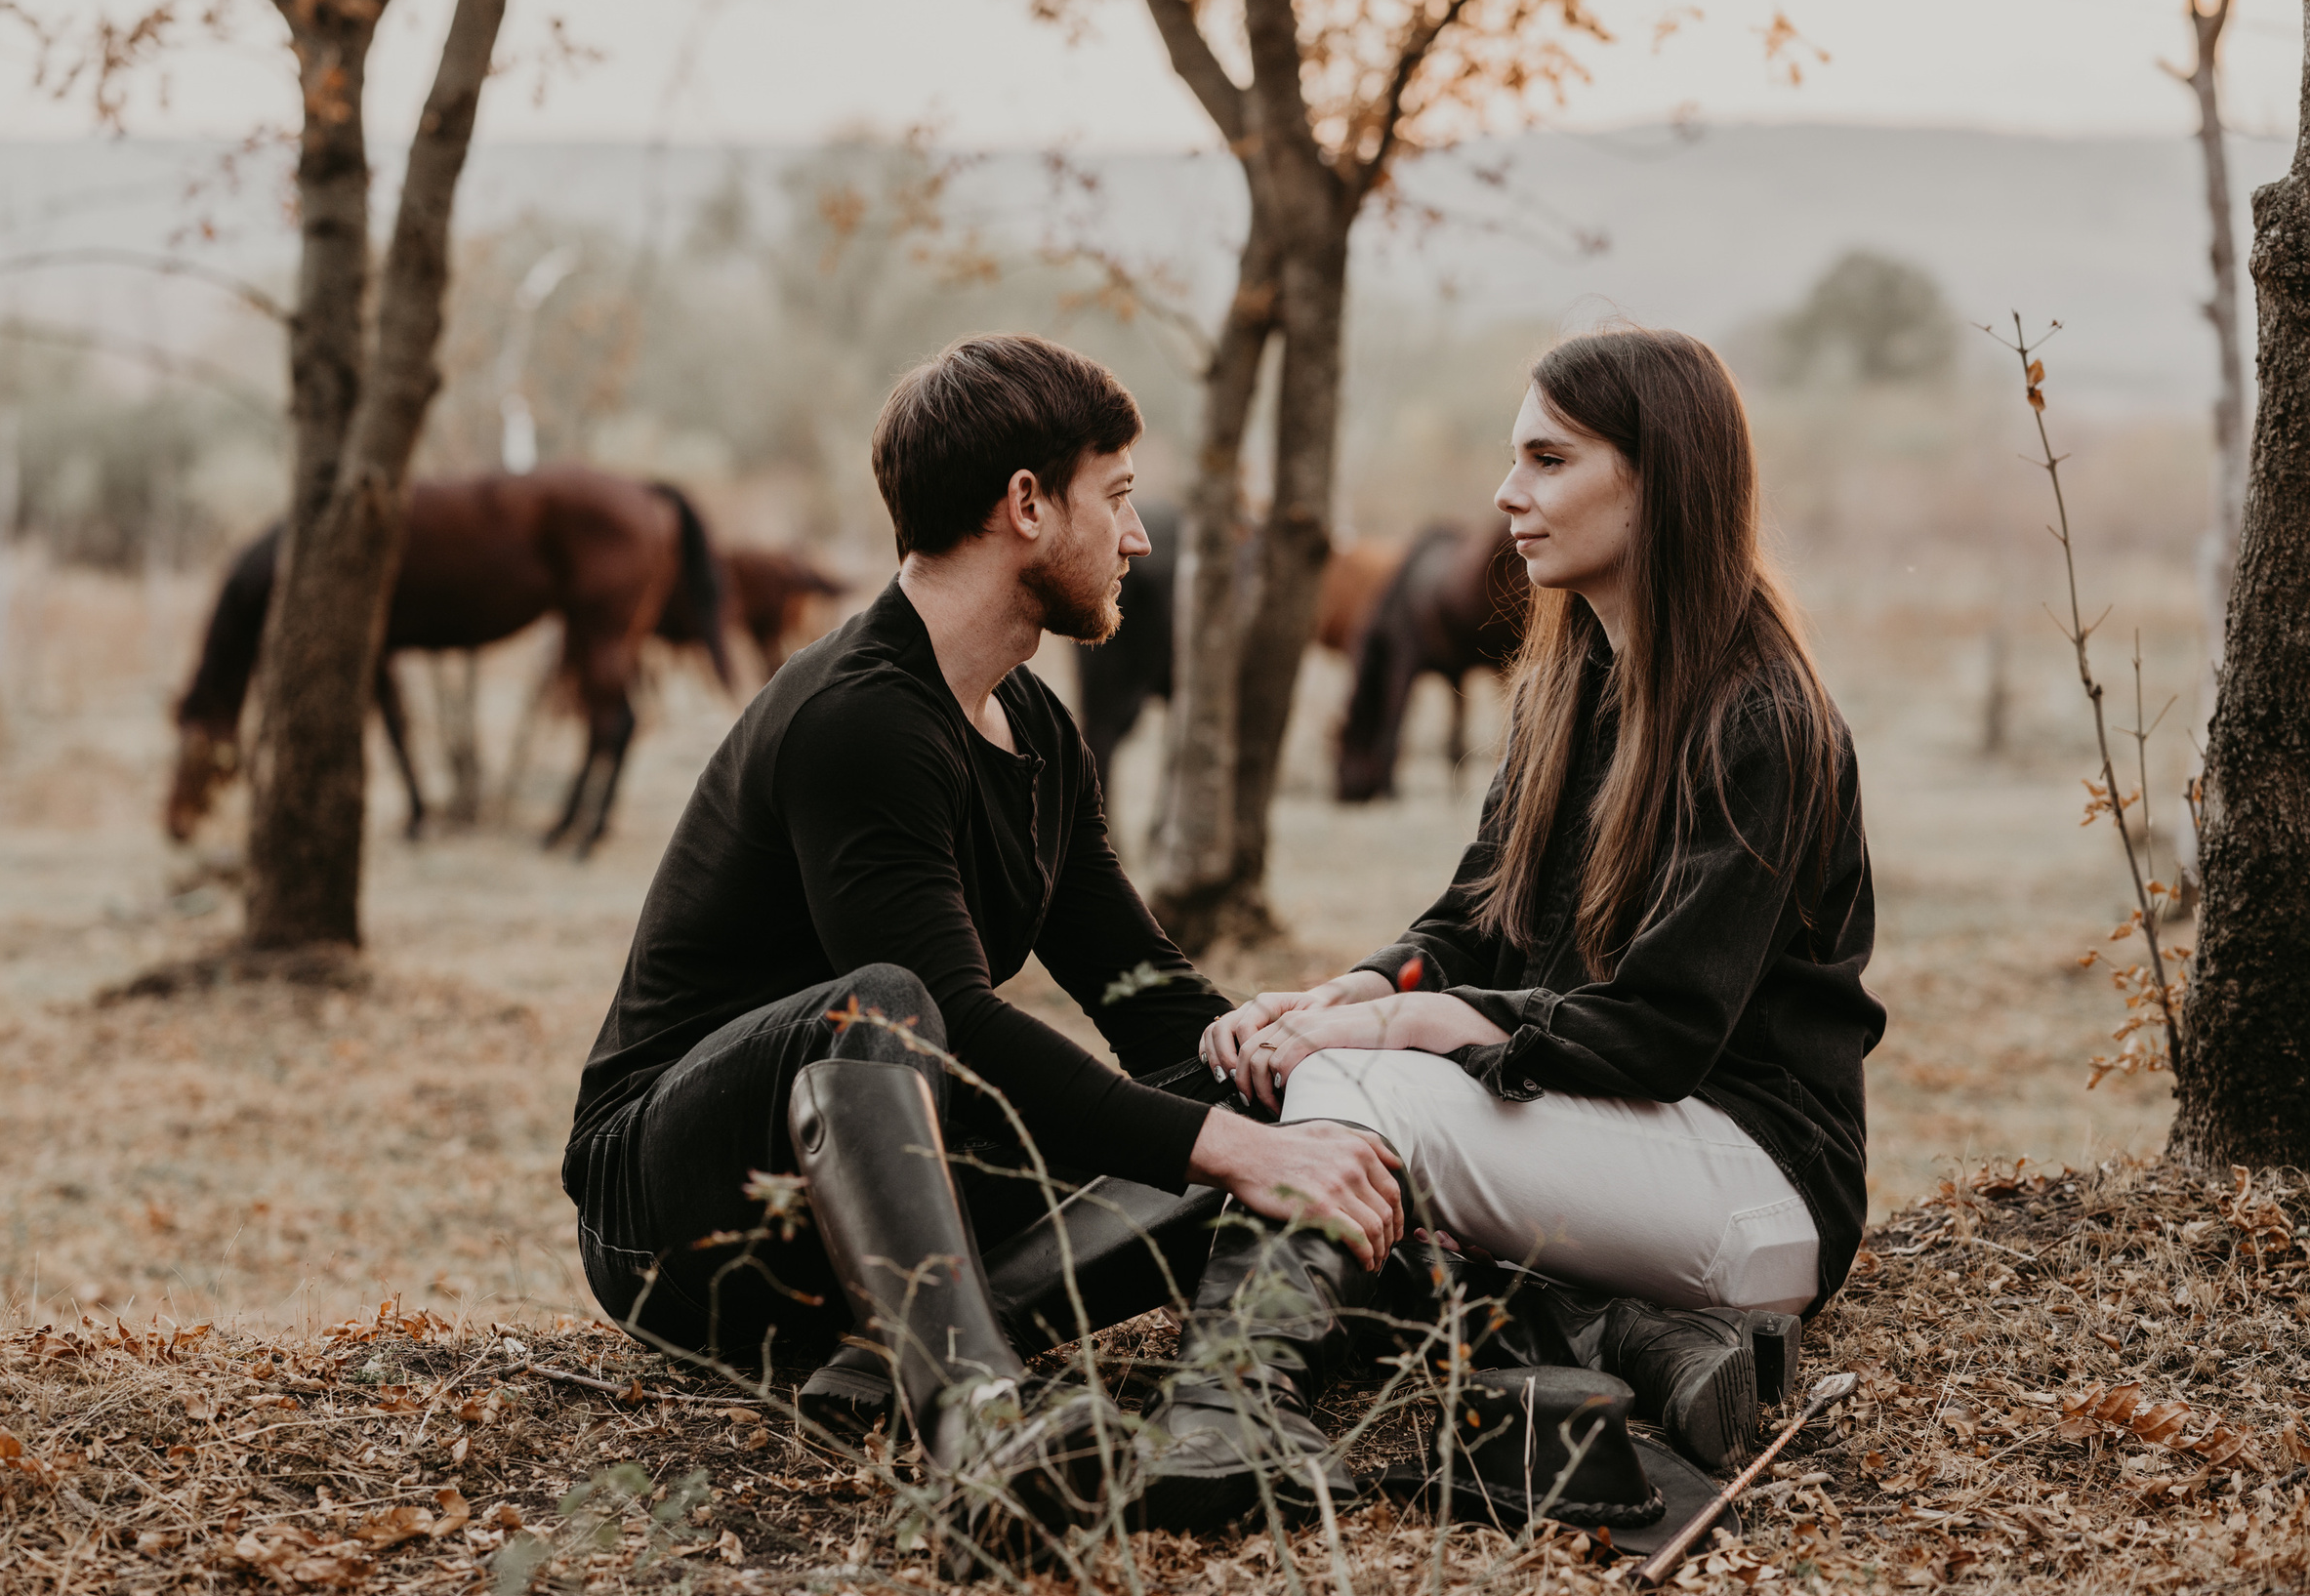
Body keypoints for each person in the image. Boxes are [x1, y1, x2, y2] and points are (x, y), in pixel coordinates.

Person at [559, 334, 1403, 1542]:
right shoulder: (860, 717)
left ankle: (884, 1354)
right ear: (1025, 506)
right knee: (889, 1003)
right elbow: (949, 1028)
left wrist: (1302, 1073)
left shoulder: (1031, 727)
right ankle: (977, 1420)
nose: (1138, 537)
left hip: (889, 1199)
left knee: (1280, 1111)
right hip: (677, 1201)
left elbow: (1142, 993)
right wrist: (1236, 1150)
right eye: (1114, 498)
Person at [1132, 326, 1883, 1528]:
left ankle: (1229, 1405)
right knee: (1295, 1084)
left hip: (1758, 1181)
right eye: (1512, 457)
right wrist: (1335, 998)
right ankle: (1627, 1333)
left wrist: (1413, 1022)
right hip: (1619, 1146)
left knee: (1355, 1100)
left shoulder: (1762, 719)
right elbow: (1474, 921)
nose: (1505, 493)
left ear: (1656, 477)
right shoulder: (1569, 684)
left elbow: (1659, 1032)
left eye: (1547, 458)